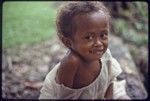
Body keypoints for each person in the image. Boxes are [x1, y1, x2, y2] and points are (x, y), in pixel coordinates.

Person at [39, 1, 130, 99]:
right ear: (68, 42)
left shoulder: (105, 54)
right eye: (89, 37)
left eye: (103, 35)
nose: (99, 43)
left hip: (100, 91)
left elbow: (110, 81)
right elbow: (63, 97)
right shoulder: (72, 62)